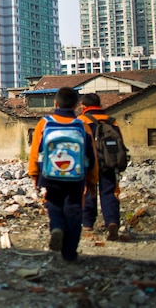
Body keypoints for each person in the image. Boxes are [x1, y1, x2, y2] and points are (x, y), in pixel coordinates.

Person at [28, 87, 99, 262]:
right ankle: (70, 253)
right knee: (74, 210)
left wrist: (34, 175)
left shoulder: (44, 123)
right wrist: (92, 182)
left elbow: (35, 152)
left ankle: (57, 227)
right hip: (76, 176)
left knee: (54, 204)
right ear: (76, 105)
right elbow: (91, 155)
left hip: (51, 174)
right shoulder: (82, 125)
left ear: (55, 103)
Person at [78, 93, 122, 241]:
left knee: (88, 191)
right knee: (109, 192)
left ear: (84, 106)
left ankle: (88, 224)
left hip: (88, 163)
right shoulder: (111, 121)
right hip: (108, 163)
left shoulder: (81, 121)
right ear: (99, 105)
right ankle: (112, 222)